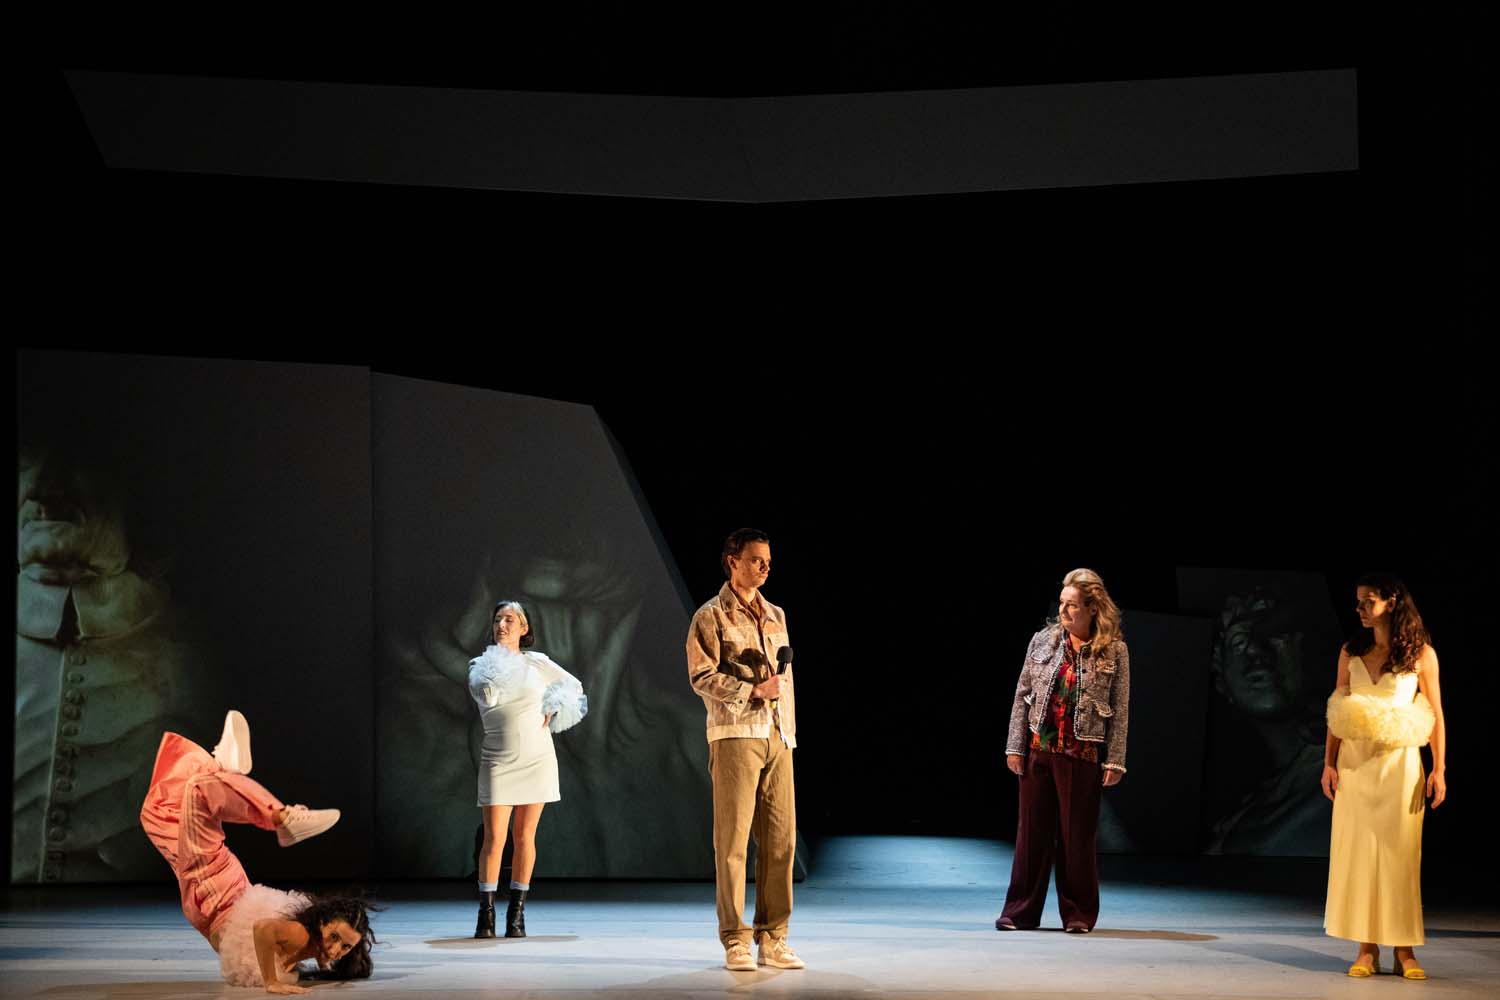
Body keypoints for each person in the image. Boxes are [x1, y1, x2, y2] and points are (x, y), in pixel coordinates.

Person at [138, 710, 375, 993]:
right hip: (216, 894)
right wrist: (271, 982)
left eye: (345, 947)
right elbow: (263, 929)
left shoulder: (308, 948)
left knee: (158, 813)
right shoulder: (300, 936)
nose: (336, 950)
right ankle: (280, 817)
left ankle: (221, 766)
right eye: (335, 937)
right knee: (196, 791)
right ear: (322, 923)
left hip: (220, 895)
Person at [686, 528, 802, 973]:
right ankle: (735, 939)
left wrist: (783, 718)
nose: (765, 567)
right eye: (756, 559)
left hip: (778, 734)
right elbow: (701, 676)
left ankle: (773, 937)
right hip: (735, 733)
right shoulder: (710, 615)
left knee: (781, 841)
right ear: (732, 561)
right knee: (733, 841)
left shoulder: (776, 613)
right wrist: (752, 690)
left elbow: (783, 678)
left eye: (768, 560)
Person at [1322, 573, 1446, 980]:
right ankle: (1366, 948)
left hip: (1399, 767)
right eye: (1358, 601)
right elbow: (1337, 709)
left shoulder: (1421, 654)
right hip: (1356, 766)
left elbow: (1436, 715)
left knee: (1399, 856)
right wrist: (1328, 763)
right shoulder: (1351, 650)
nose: (1360, 609)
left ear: (1391, 602)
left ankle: (1404, 950)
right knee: (1359, 856)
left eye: (1368, 601)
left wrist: (1440, 768)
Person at [999, 568, 1130, 934]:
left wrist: (1115, 759)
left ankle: (1078, 914)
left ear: (1092, 608)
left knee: (1077, 839)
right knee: (1031, 836)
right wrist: (1015, 747)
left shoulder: (1114, 650)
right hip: (1039, 749)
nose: (1064, 611)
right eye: (1062, 603)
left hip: (1082, 754)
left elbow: (1120, 710)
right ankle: (1019, 912)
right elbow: (1022, 696)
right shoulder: (1043, 640)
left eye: (1072, 605)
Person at [467, 600, 588, 938]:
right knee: (494, 838)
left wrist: (556, 704)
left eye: (510, 619)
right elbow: (488, 697)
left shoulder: (538, 663)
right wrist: (500, 660)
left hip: (537, 757)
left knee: (525, 836)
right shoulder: (479, 664)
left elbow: (574, 686)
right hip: (498, 758)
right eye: (497, 619)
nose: (502, 625)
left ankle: (516, 914)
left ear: (524, 628)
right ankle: (486, 913)